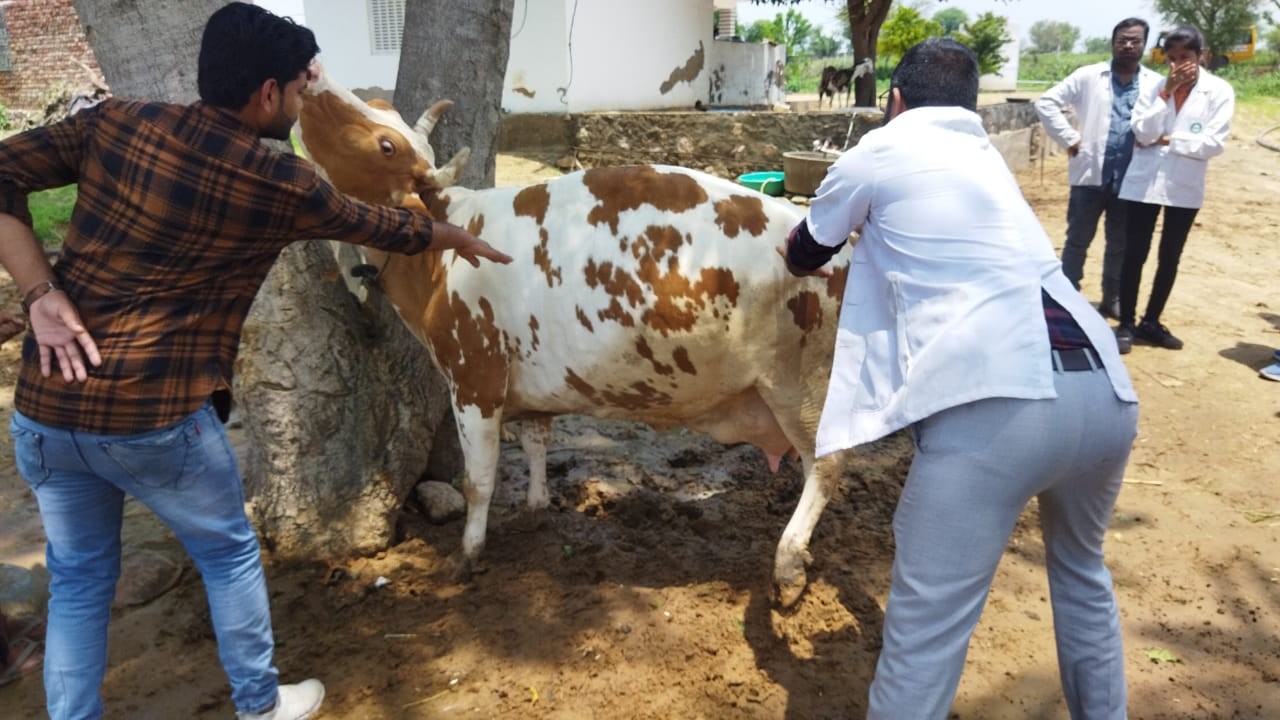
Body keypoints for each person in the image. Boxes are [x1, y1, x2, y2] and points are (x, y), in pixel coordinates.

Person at [0, 3, 510, 719]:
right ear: (268, 94)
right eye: (300, 93)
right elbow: (378, 225)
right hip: (157, 423)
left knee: (79, 581)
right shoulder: (280, 184)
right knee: (229, 554)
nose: (303, 107)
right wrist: (452, 235)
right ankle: (260, 704)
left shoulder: (116, 124)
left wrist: (40, 291)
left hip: (47, 414)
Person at [784, 38, 1140, 719]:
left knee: (925, 638)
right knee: (1083, 577)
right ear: (971, 103)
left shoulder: (876, 151)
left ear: (895, 100)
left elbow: (806, 251)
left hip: (998, 410)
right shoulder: (985, 158)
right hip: (1104, 391)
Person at [1113, 25, 1234, 353]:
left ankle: (1151, 321)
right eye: (1172, 58)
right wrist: (1166, 93)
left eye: (1186, 57)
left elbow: (1212, 144)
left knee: (1170, 256)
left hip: (1184, 185)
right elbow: (1141, 130)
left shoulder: (1219, 91)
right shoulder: (1154, 87)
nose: (1178, 65)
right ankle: (1126, 324)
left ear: (1202, 56)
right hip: (1143, 183)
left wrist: (1165, 140)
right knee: (1134, 254)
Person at [1035, 17, 1160, 319]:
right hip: (1090, 173)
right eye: (1122, 40)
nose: (1128, 45)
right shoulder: (1089, 75)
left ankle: (1111, 298)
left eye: (1135, 40)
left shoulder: (1155, 83)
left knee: (1119, 244)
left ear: (1144, 44)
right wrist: (1069, 138)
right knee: (1077, 239)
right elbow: (1046, 102)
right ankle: (1066, 295)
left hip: (1130, 178)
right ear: (1113, 43)